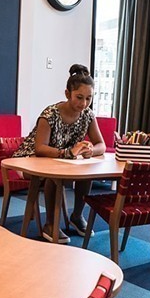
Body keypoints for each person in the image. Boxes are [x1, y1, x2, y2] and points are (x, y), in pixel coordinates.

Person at [13, 64, 106, 243]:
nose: (84, 103)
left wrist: (90, 150)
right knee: (53, 176)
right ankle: (50, 224)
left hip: (60, 159)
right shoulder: (50, 114)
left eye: (88, 98)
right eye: (79, 97)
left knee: (86, 174)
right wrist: (69, 152)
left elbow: (101, 144)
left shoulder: (87, 114)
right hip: (29, 159)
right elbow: (40, 148)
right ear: (67, 94)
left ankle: (77, 216)